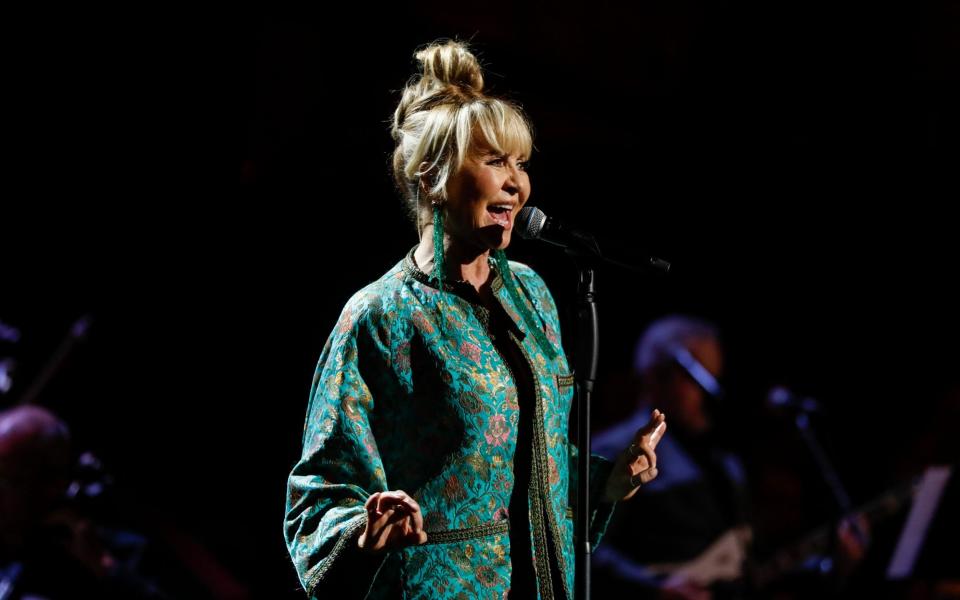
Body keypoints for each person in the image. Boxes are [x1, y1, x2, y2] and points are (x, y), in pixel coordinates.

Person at [283, 39, 667, 599]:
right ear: (432, 178)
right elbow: (319, 491)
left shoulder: (531, 294)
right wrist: (363, 532)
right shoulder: (381, 316)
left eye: (521, 164)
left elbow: (530, 460)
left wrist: (610, 479)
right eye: (494, 162)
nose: (518, 182)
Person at [592, 315, 867, 600]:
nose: (706, 393)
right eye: (695, 376)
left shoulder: (724, 461)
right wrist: (653, 589)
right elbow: (584, 545)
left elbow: (751, 569)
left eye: (713, 376)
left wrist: (832, 568)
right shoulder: (616, 450)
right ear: (655, 376)